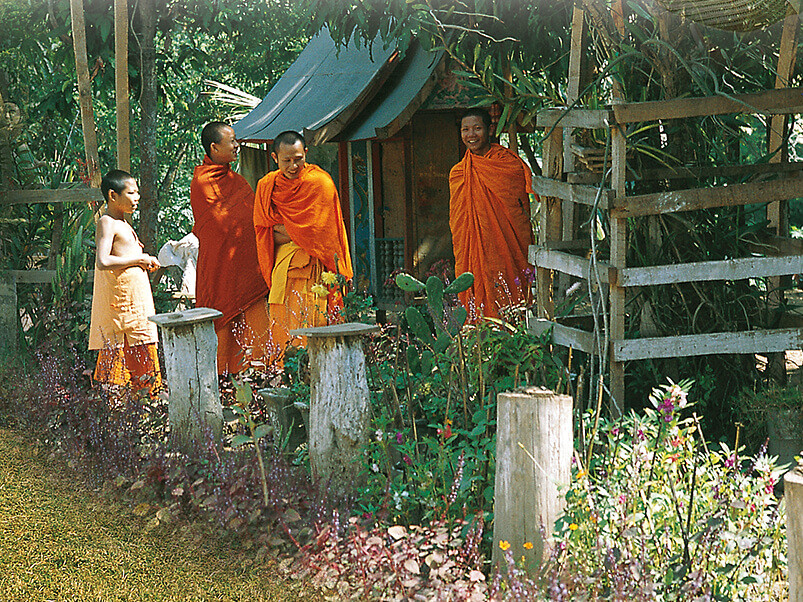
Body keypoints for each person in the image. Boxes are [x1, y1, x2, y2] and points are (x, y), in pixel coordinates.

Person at [253, 130, 352, 358]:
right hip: (281, 269)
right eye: (286, 160)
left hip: (314, 269)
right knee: (281, 321)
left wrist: (286, 229)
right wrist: (301, 231)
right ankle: (283, 373)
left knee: (313, 322)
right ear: (274, 158)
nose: (293, 166)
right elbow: (264, 234)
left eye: (298, 159)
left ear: (306, 153)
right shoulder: (267, 187)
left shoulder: (320, 183)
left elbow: (323, 235)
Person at [191, 121, 271, 374]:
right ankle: (224, 375)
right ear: (214, 147)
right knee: (223, 312)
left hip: (247, 265)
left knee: (256, 317)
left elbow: (250, 221)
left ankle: (261, 371)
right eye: (232, 141)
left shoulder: (238, 181)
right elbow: (217, 228)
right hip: (220, 266)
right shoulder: (201, 182)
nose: (237, 146)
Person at [449, 108, 534, 319]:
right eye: (465, 130)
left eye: (477, 128)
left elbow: (519, 213)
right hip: (473, 249)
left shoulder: (508, 164)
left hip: (505, 245)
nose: (471, 135)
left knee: (510, 294)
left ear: (490, 130)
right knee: (475, 290)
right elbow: (458, 223)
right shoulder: (459, 173)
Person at [88, 169, 162, 396]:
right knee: (119, 355)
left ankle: (146, 405)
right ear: (113, 195)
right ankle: (117, 413)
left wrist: (144, 262)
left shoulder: (124, 223)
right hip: (121, 309)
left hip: (136, 304)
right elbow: (103, 261)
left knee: (143, 349)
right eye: (131, 192)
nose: (137, 197)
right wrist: (140, 258)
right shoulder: (107, 222)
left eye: (138, 192)